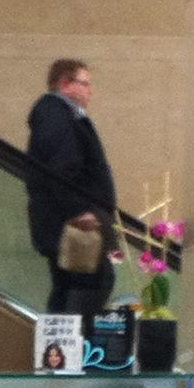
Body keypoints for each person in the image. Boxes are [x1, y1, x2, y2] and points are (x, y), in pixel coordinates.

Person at [26, 58, 118, 316]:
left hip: (65, 222)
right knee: (89, 284)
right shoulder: (56, 113)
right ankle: (69, 349)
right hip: (72, 224)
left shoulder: (59, 115)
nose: (91, 91)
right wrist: (79, 210)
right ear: (65, 83)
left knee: (71, 287)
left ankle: (61, 347)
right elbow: (60, 167)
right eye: (85, 83)